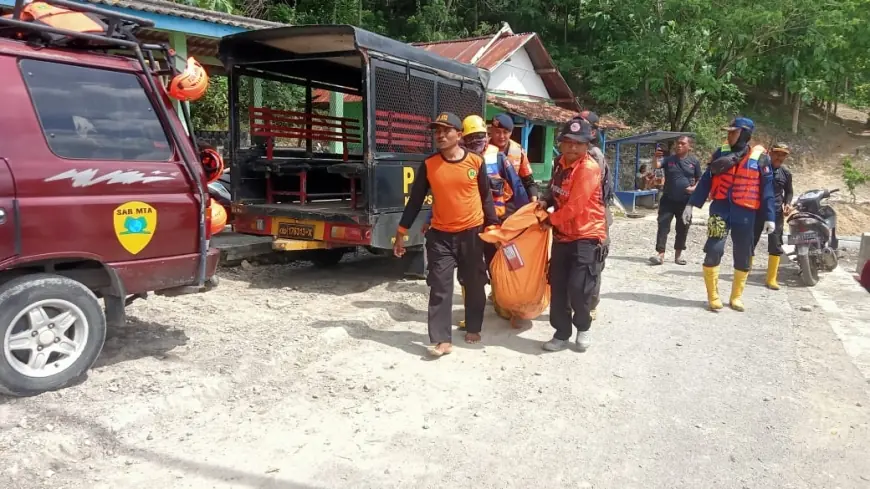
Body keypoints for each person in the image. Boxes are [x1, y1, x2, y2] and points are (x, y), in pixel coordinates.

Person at [394, 112, 498, 356]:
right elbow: (415, 201)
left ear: (458, 135)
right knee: (440, 286)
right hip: (440, 236)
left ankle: (473, 325)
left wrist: (493, 226)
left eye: (445, 131)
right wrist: (401, 232)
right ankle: (442, 339)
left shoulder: (476, 162)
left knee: (473, 283)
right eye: (436, 131)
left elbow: (486, 197)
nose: (439, 135)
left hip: (472, 234)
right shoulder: (430, 164)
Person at [683, 117, 776, 312]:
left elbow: (767, 189)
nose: (729, 135)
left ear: (745, 134)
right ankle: (713, 296)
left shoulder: (761, 158)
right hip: (720, 209)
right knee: (713, 249)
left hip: (746, 213)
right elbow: (707, 181)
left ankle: (736, 297)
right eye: (729, 132)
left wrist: (769, 216)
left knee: (743, 253)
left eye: (734, 132)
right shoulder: (720, 153)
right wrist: (690, 205)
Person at [538, 118, 608, 352]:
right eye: (568, 142)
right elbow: (554, 190)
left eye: (578, 143)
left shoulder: (589, 169)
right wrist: (545, 201)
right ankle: (561, 333)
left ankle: (583, 327)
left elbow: (574, 208)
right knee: (557, 286)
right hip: (563, 236)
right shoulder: (560, 163)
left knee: (579, 287)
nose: (572, 148)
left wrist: (549, 220)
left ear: (587, 145)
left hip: (586, 235)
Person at [578, 110, 614, 323]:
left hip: (595, 216)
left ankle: (590, 305)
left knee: (594, 263)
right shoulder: (578, 152)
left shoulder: (593, 156)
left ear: (592, 131)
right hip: (583, 216)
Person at [649, 135, 701, 266]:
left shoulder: (694, 162)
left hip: (685, 201)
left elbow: (700, 178)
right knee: (663, 226)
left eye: (683, 143)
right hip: (668, 199)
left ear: (689, 146)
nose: (679, 145)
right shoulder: (669, 159)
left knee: (683, 227)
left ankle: (678, 256)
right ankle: (660, 255)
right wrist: (655, 157)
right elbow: (657, 165)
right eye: (678, 143)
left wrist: (694, 188)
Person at [751, 142, 794, 289]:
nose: (779, 157)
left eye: (783, 155)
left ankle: (771, 279)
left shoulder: (786, 173)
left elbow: (789, 191)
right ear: (770, 153)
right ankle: (745, 271)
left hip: (776, 213)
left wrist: (787, 203)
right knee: (751, 241)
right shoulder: (760, 168)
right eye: (777, 153)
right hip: (757, 210)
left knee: (776, 245)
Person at [487, 113, 539, 202]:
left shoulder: (518, 151)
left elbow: (529, 181)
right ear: (491, 130)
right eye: (497, 132)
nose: (501, 136)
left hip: (511, 202)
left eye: (505, 132)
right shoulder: (483, 149)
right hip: (488, 201)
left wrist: (534, 200)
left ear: (511, 132)